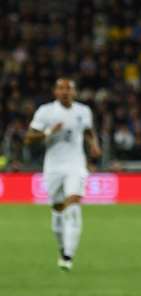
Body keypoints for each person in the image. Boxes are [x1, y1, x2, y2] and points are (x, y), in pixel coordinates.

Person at [24, 78, 101, 271]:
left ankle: (68, 256)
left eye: (69, 89)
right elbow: (28, 138)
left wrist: (94, 145)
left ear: (74, 92)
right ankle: (62, 248)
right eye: (61, 88)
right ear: (55, 92)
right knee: (58, 210)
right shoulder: (46, 111)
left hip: (76, 165)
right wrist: (49, 132)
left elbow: (88, 131)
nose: (65, 92)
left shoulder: (83, 111)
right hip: (53, 167)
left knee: (73, 204)